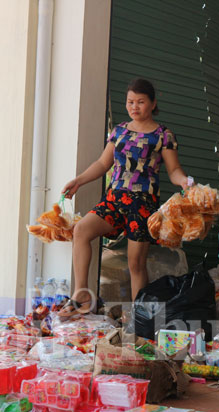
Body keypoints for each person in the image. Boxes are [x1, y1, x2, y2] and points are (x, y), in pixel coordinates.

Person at [60, 78, 191, 316]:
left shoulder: (163, 135)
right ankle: (81, 296)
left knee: (135, 264)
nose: (134, 107)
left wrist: (184, 181)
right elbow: (102, 163)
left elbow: (173, 170)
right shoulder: (119, 131)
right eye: (130, 102)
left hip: (142, 204)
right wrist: (79, 180)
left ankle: (138, 320)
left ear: (153, 103)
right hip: (114, 199)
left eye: (140, 102)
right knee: (81, 231)